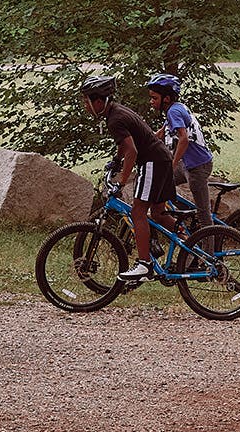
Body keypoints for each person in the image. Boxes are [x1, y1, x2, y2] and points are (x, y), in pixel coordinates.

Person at [80, 74, 176, 284]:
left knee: (137, 212)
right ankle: (193, 248)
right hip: (161, 160)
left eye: (86, 101)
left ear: (98, 101)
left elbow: (131, 151)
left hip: (152, 162)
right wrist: (116, 160)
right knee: (159, 214)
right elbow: (125, 144)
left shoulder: (115, 119)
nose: (85, 106)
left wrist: (122, 181)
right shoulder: (116, 111)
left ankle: (145, 265)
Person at [147, 73, 215, 223]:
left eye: (154, 98)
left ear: (166, 98)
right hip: (188, 164)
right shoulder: (175, 108)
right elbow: (159, 134)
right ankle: (174, 221)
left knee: (204, 214)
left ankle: (209, 247)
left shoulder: (173, 112)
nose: (151, 101)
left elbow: (183, 139)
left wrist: (173, 163)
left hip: (198, 166)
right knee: (160, 182)